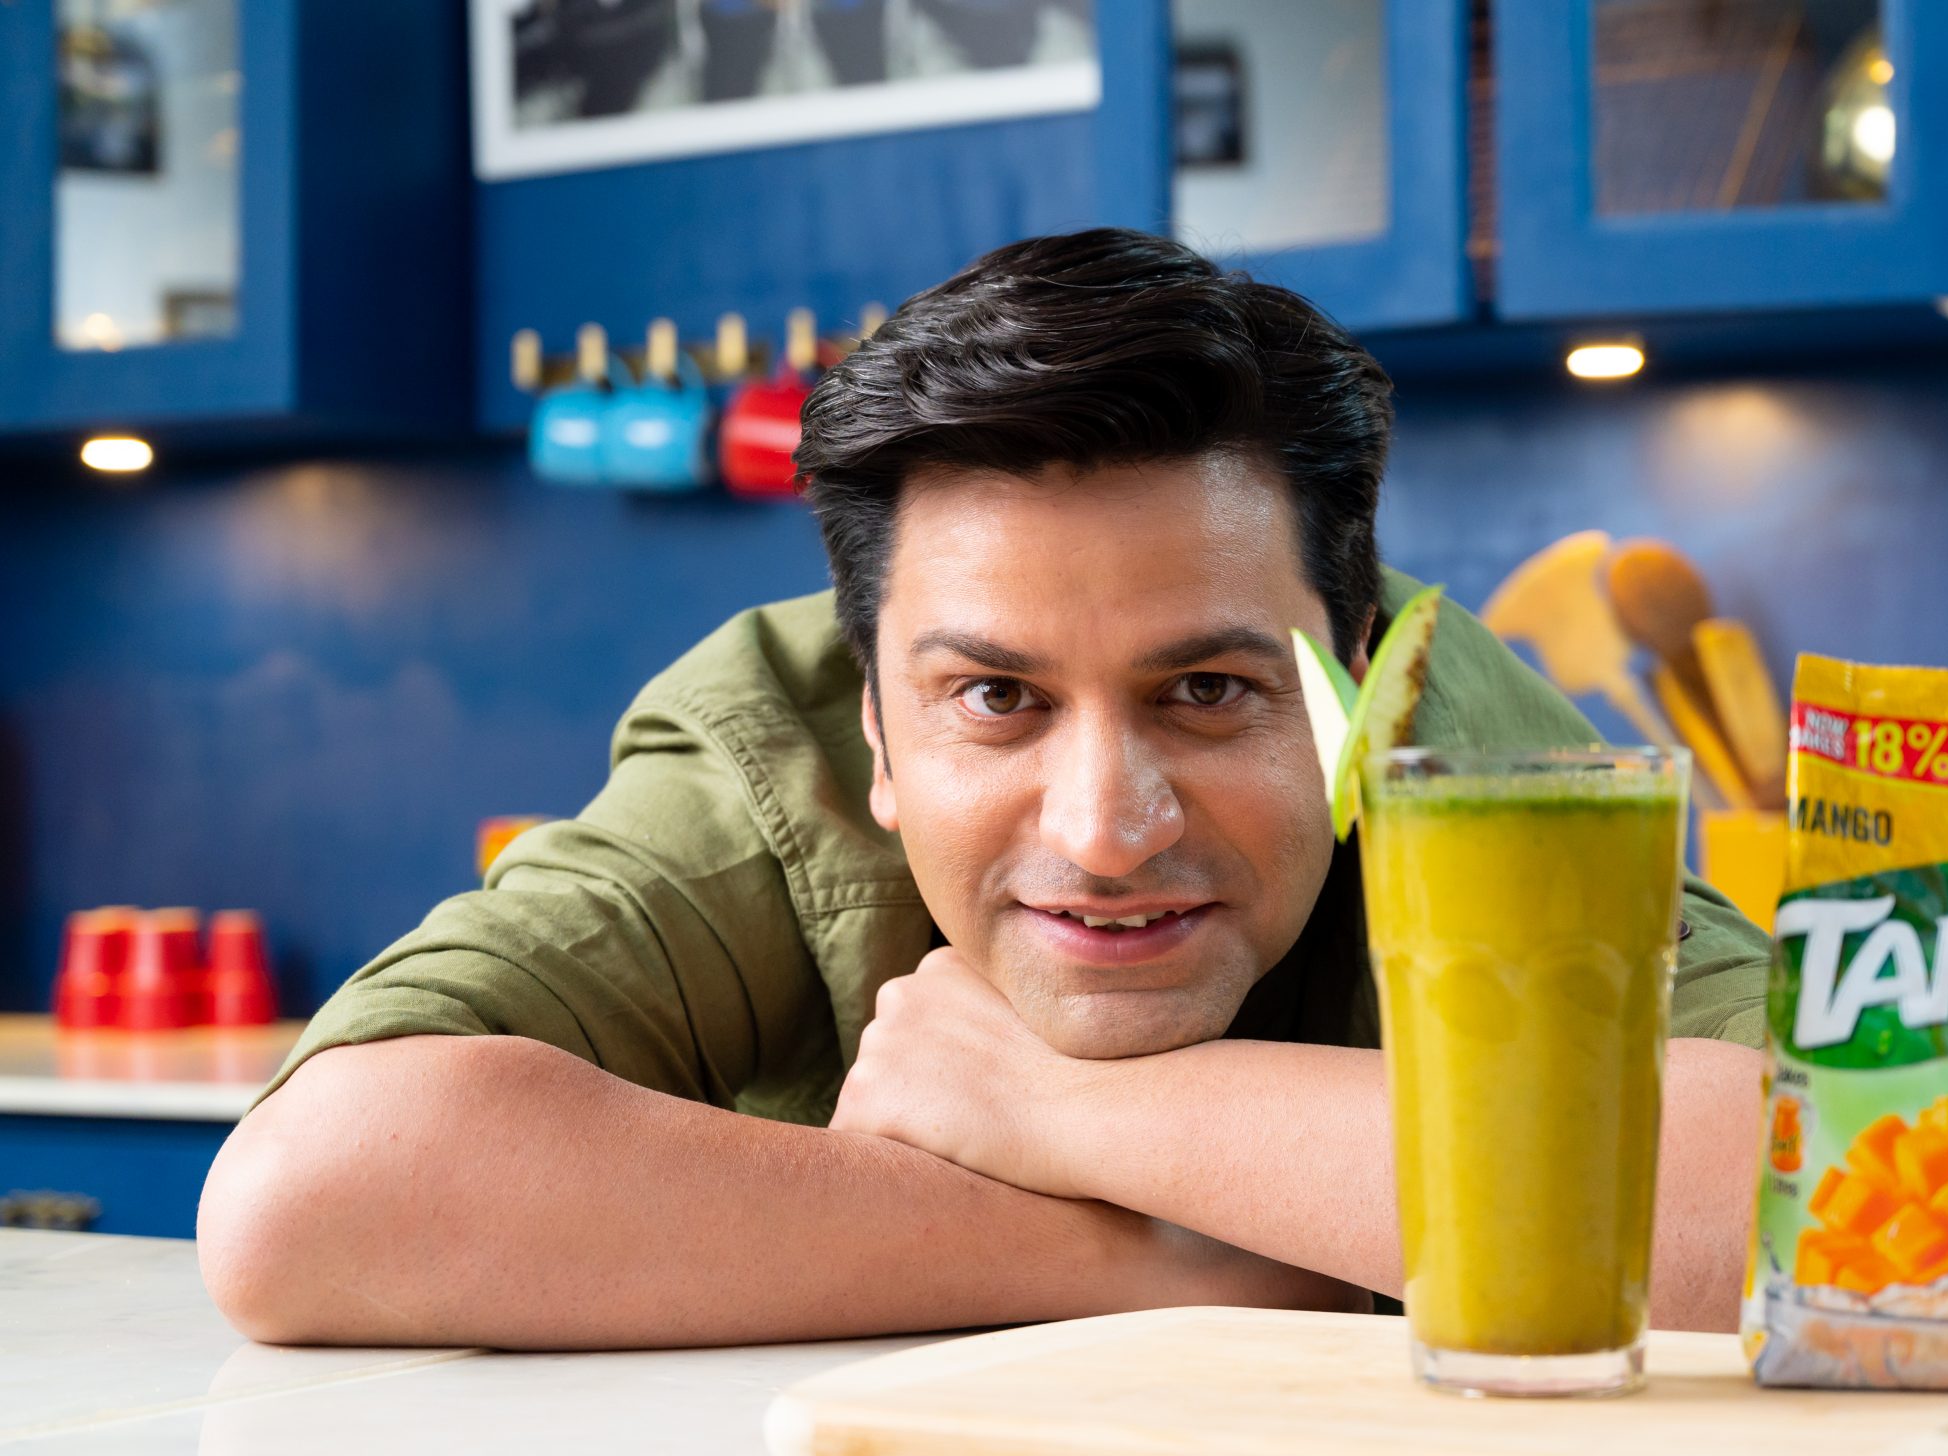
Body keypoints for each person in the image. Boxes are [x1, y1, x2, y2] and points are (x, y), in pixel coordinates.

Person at [197, 229, 1771, 1350]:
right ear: (875, 730)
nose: (1105, 831)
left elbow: (1819, 1177)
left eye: (1208, 692)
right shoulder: (770, 752)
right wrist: (1177, 1262)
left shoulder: (1460, 740)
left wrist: (1054, 1103)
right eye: (998, 699)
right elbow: (311, 1194)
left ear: (1353, 685)